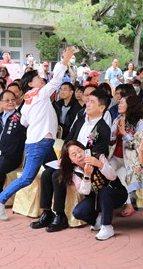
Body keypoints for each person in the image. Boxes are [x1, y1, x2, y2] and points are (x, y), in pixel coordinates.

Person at [0, 46, 77, 221]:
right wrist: (65, 60)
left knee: (56, 171)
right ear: (30, 84)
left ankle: (52, 211)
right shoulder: (40, 94)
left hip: (43, 142)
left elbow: (23, 121)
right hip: (40, 143)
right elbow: (56, 80)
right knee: (28, 177)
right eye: (37, 77)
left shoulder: (28, 100)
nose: (40, 78)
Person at [31, 88, 112, 232]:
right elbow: (69, 138)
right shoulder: (81, 120)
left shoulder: (103, 128)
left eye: (92, 102)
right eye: (87, 101)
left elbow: (97, 153)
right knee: (46, 174)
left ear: (101, 108)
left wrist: (76, 160)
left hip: (85, 165)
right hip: (71, 159)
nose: (87, 104)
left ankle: (60, 215)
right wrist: (64, 156)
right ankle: (46, 212)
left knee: (57, 176)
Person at [58, 140, 129, 240]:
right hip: (96, 199)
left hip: (116, 193)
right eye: (74, 155)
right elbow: (84, 192)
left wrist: (100, 164)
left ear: (84, 150)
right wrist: (87, 175)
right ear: (71, 160)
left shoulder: (98, 157)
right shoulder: (75, 172)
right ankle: (98, 222)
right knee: (78, 212)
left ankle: (107, 227)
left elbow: (112, 176)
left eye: (79, 151)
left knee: (105, 191)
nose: (79, 155)